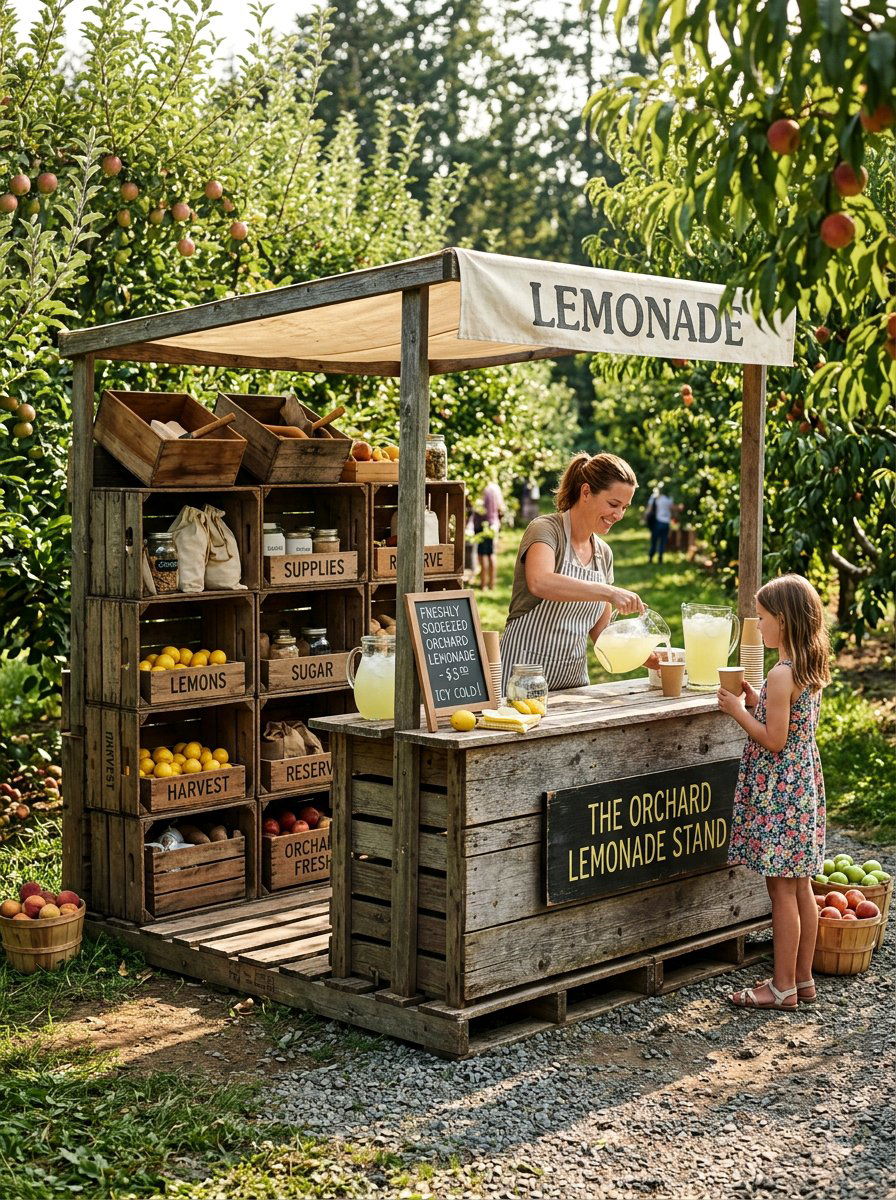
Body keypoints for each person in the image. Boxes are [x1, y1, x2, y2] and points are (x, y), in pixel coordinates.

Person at [717, 574, 830, 1011]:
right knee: (802, 888)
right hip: (801, 786)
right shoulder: (807, 665)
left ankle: (780, 987)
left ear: (782, 620)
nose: (758, 626)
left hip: (780, 792)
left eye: (762, 618)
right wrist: (755, 700)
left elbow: (773, 739)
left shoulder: (782, 673)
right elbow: (784, 720)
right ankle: (802, 981)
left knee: (781, 890)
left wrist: (736, 712)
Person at [500, 452, 651, 693]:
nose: (619, 515)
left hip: (573, 686)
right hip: (521, 682)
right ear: (586, 492)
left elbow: (602, 635)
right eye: (613, 504)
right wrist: (609, 591)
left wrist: (650, 657)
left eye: (624, 507)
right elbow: (540, 581)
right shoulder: (546, 530)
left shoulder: (604, 553)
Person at [478, 480, 505, 591]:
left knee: (482, 555)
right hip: (494, 525)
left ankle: (483, 584)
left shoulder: (483, 489)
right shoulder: (496, 488)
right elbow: (501, 508)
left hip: (482, 525)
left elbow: (478, 509)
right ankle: (492, 584)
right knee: (492, 554)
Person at [647, 485, 674, 563]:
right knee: (663, 541)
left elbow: (649, 509)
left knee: (654, 541)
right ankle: (660, 558)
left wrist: (646, 518)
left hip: (657, 522)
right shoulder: (669, 498)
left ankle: (651, 558)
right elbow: (672, 509)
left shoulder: (655, 497)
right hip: (666, 522)